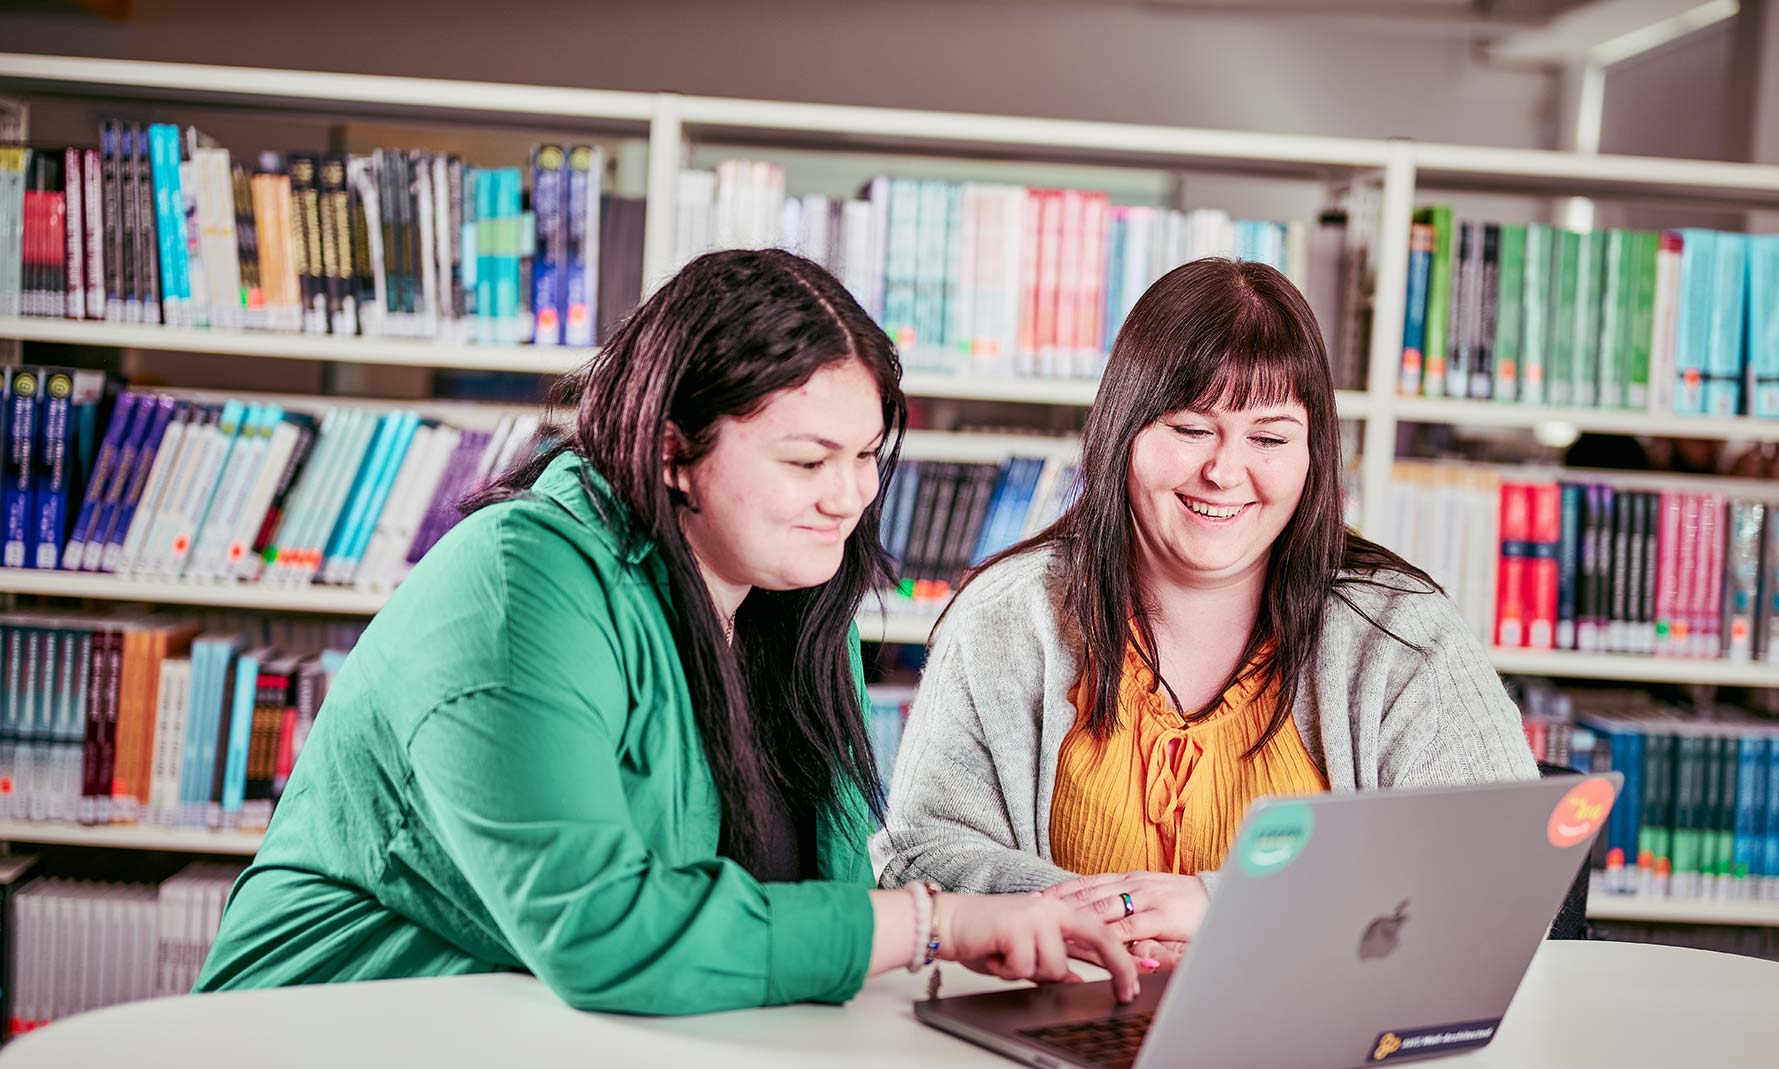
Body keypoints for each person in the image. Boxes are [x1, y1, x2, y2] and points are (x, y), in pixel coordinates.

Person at [196, 249, 1139, 1015]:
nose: (851, 496)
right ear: (671, 451)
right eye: (809, 458)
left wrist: (1014, 918)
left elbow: (827, 911)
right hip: (331, 1033)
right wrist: (935, 924)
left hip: (588, 1035)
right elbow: (605, 928)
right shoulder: (518, 584)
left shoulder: (800, 603)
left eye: (864, 456)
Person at [873, 258, 1539, 965]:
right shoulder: (1006, 617)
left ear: (1313, 455)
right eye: (1192, 429)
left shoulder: (1403, 632)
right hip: (1065, 1020)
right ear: (1122, 431)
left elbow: (1499, 864)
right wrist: (1107, 920)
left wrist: (1225, 906)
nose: (1225, 471)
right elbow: (921, 854)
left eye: (1270, 438)